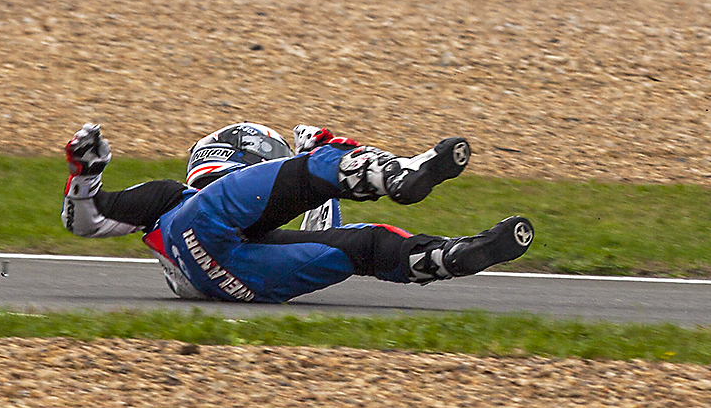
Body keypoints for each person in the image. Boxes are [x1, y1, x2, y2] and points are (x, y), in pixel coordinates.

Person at [61, 121, 534, 303]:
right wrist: (88, 169)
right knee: (315, 168)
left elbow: (82, 220)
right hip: (229, 259)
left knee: (360, 245)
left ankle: (452, 256)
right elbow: (85, 221)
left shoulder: (179, 202)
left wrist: (86, 172)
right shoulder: (172, 198)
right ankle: (397, 176)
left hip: (245, 279)